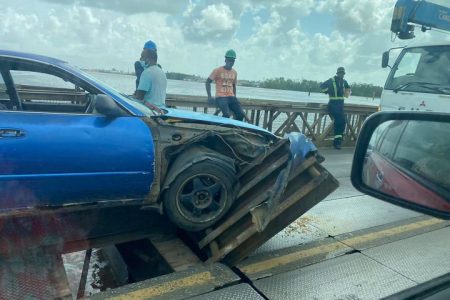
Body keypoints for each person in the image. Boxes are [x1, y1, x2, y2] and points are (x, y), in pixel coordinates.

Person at [206, 49, 246, 121]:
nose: (230, 62)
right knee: (226, 114)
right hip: (221, 97)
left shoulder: (234, 72)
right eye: (229, 60)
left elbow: (233, 86)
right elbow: (208, 82)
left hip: (231, 97)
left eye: (232, 60)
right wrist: (209, 96)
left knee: (241, 114)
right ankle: (221, 129)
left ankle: (234, 129)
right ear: (225, 60)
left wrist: (235, 98)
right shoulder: (217, 70)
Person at [320, 67, 351, 150]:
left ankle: (338, 140)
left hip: (340, 105)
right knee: (338, 121)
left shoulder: (344, 82)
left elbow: (348, 89)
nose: (342, 75)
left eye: (343, 73)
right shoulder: (332, 80)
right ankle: (337, 143)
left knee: (343, 121)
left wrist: (347, 93)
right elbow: (321, 86)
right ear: (337, 73)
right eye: (341, 73)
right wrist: (327, 90)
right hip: (333, 105)